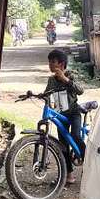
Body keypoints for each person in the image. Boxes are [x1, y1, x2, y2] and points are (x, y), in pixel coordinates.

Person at [43, 48, 84, 185]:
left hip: (74, 113)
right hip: (61, 115)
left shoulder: (70, 75)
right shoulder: (51, 80)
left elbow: (80, 90)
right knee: (63, 145)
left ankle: (88, 159)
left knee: (76, 135)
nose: (50, 65)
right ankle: (69, 175)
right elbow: (46, 94)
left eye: (53, 62)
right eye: (49, 62)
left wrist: (66, 80)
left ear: (61, 64)